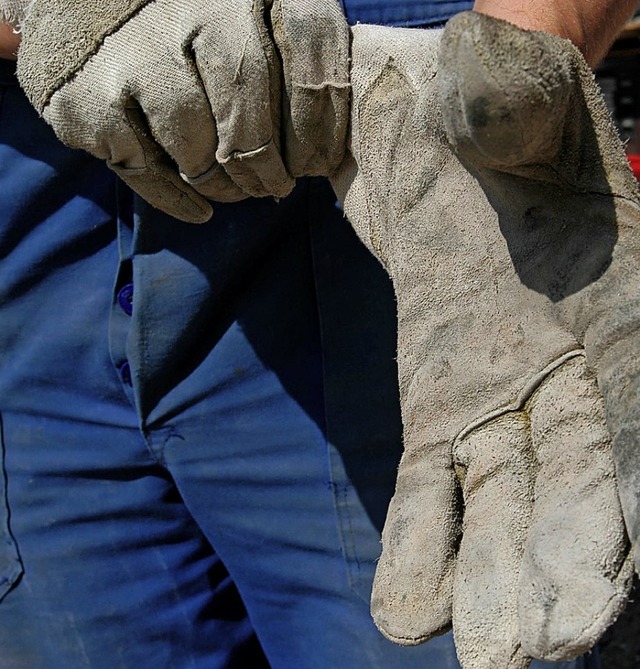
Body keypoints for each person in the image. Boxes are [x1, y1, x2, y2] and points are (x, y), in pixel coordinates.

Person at [0, 0, 635, 667]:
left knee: (460, 604)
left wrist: (519, 61)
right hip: (40, 218)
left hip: (385, 158)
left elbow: (512, 65)